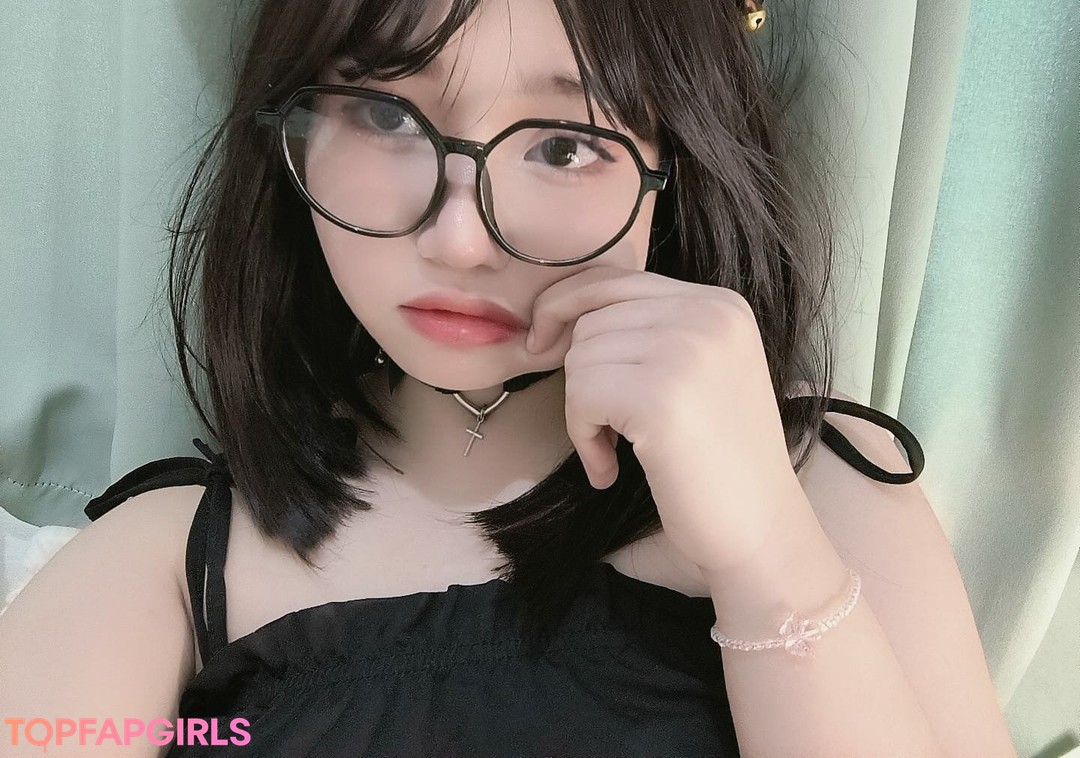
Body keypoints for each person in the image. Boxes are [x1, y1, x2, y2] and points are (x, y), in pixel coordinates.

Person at [0, 0, 1016, 755]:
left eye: (566, 145)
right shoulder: (168, 562)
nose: (460, 238)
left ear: (676, 173)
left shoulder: (826, 492)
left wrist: (767, 561)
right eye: (387, 117)